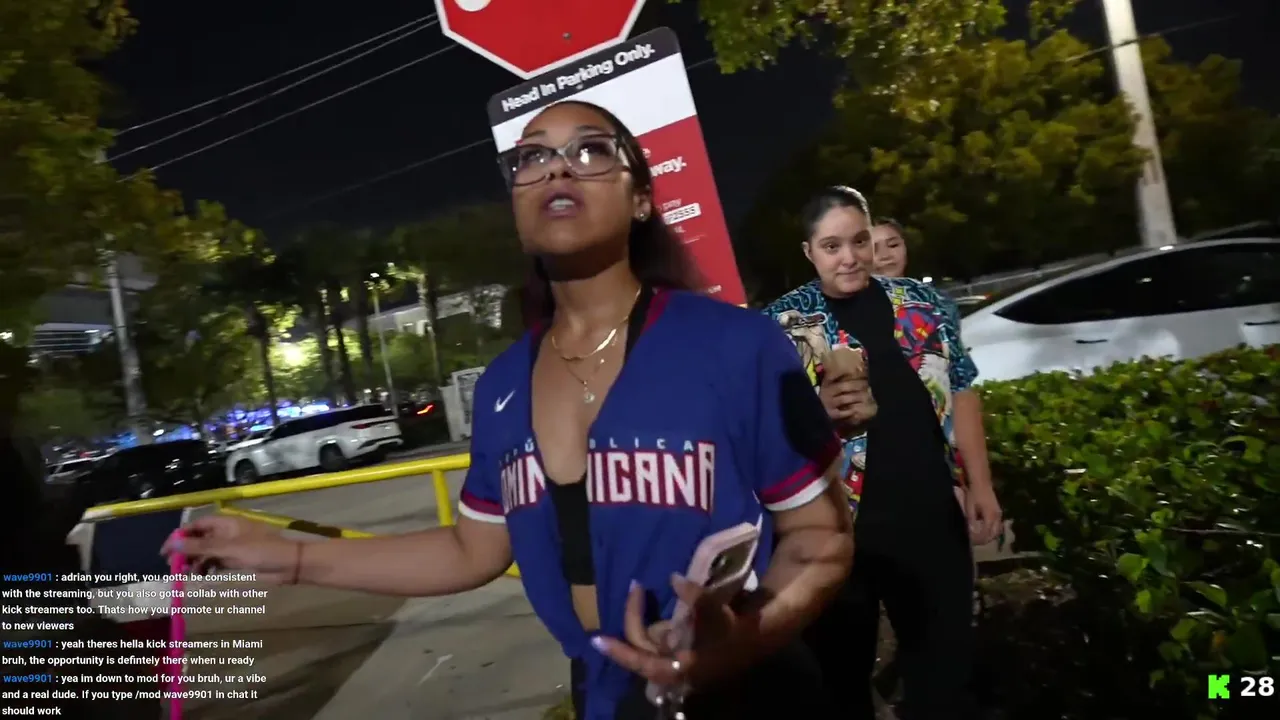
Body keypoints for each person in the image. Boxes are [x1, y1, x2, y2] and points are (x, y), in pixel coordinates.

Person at [164, 100, 854, 720]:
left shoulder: (735, 345)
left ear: (641, 198)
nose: (557, 168)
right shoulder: (501, 387)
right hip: (605, 697)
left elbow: (820, 541)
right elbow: (471, 550)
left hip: (752, 691)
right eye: (531, 157)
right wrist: (288, 558)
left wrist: (736, 644)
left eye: (591, 150)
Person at [763, 186, 1003, 720]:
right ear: (808, 252)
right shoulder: (781, 324)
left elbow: (961, 388)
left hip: (930, 518)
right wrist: (818, 414)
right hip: (835, 530)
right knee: (841, 684)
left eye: (859, 241)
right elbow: (764, 431)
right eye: (831, 247)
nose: (849, 257)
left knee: (944, 679)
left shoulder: (923, 304)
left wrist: (980, 484)